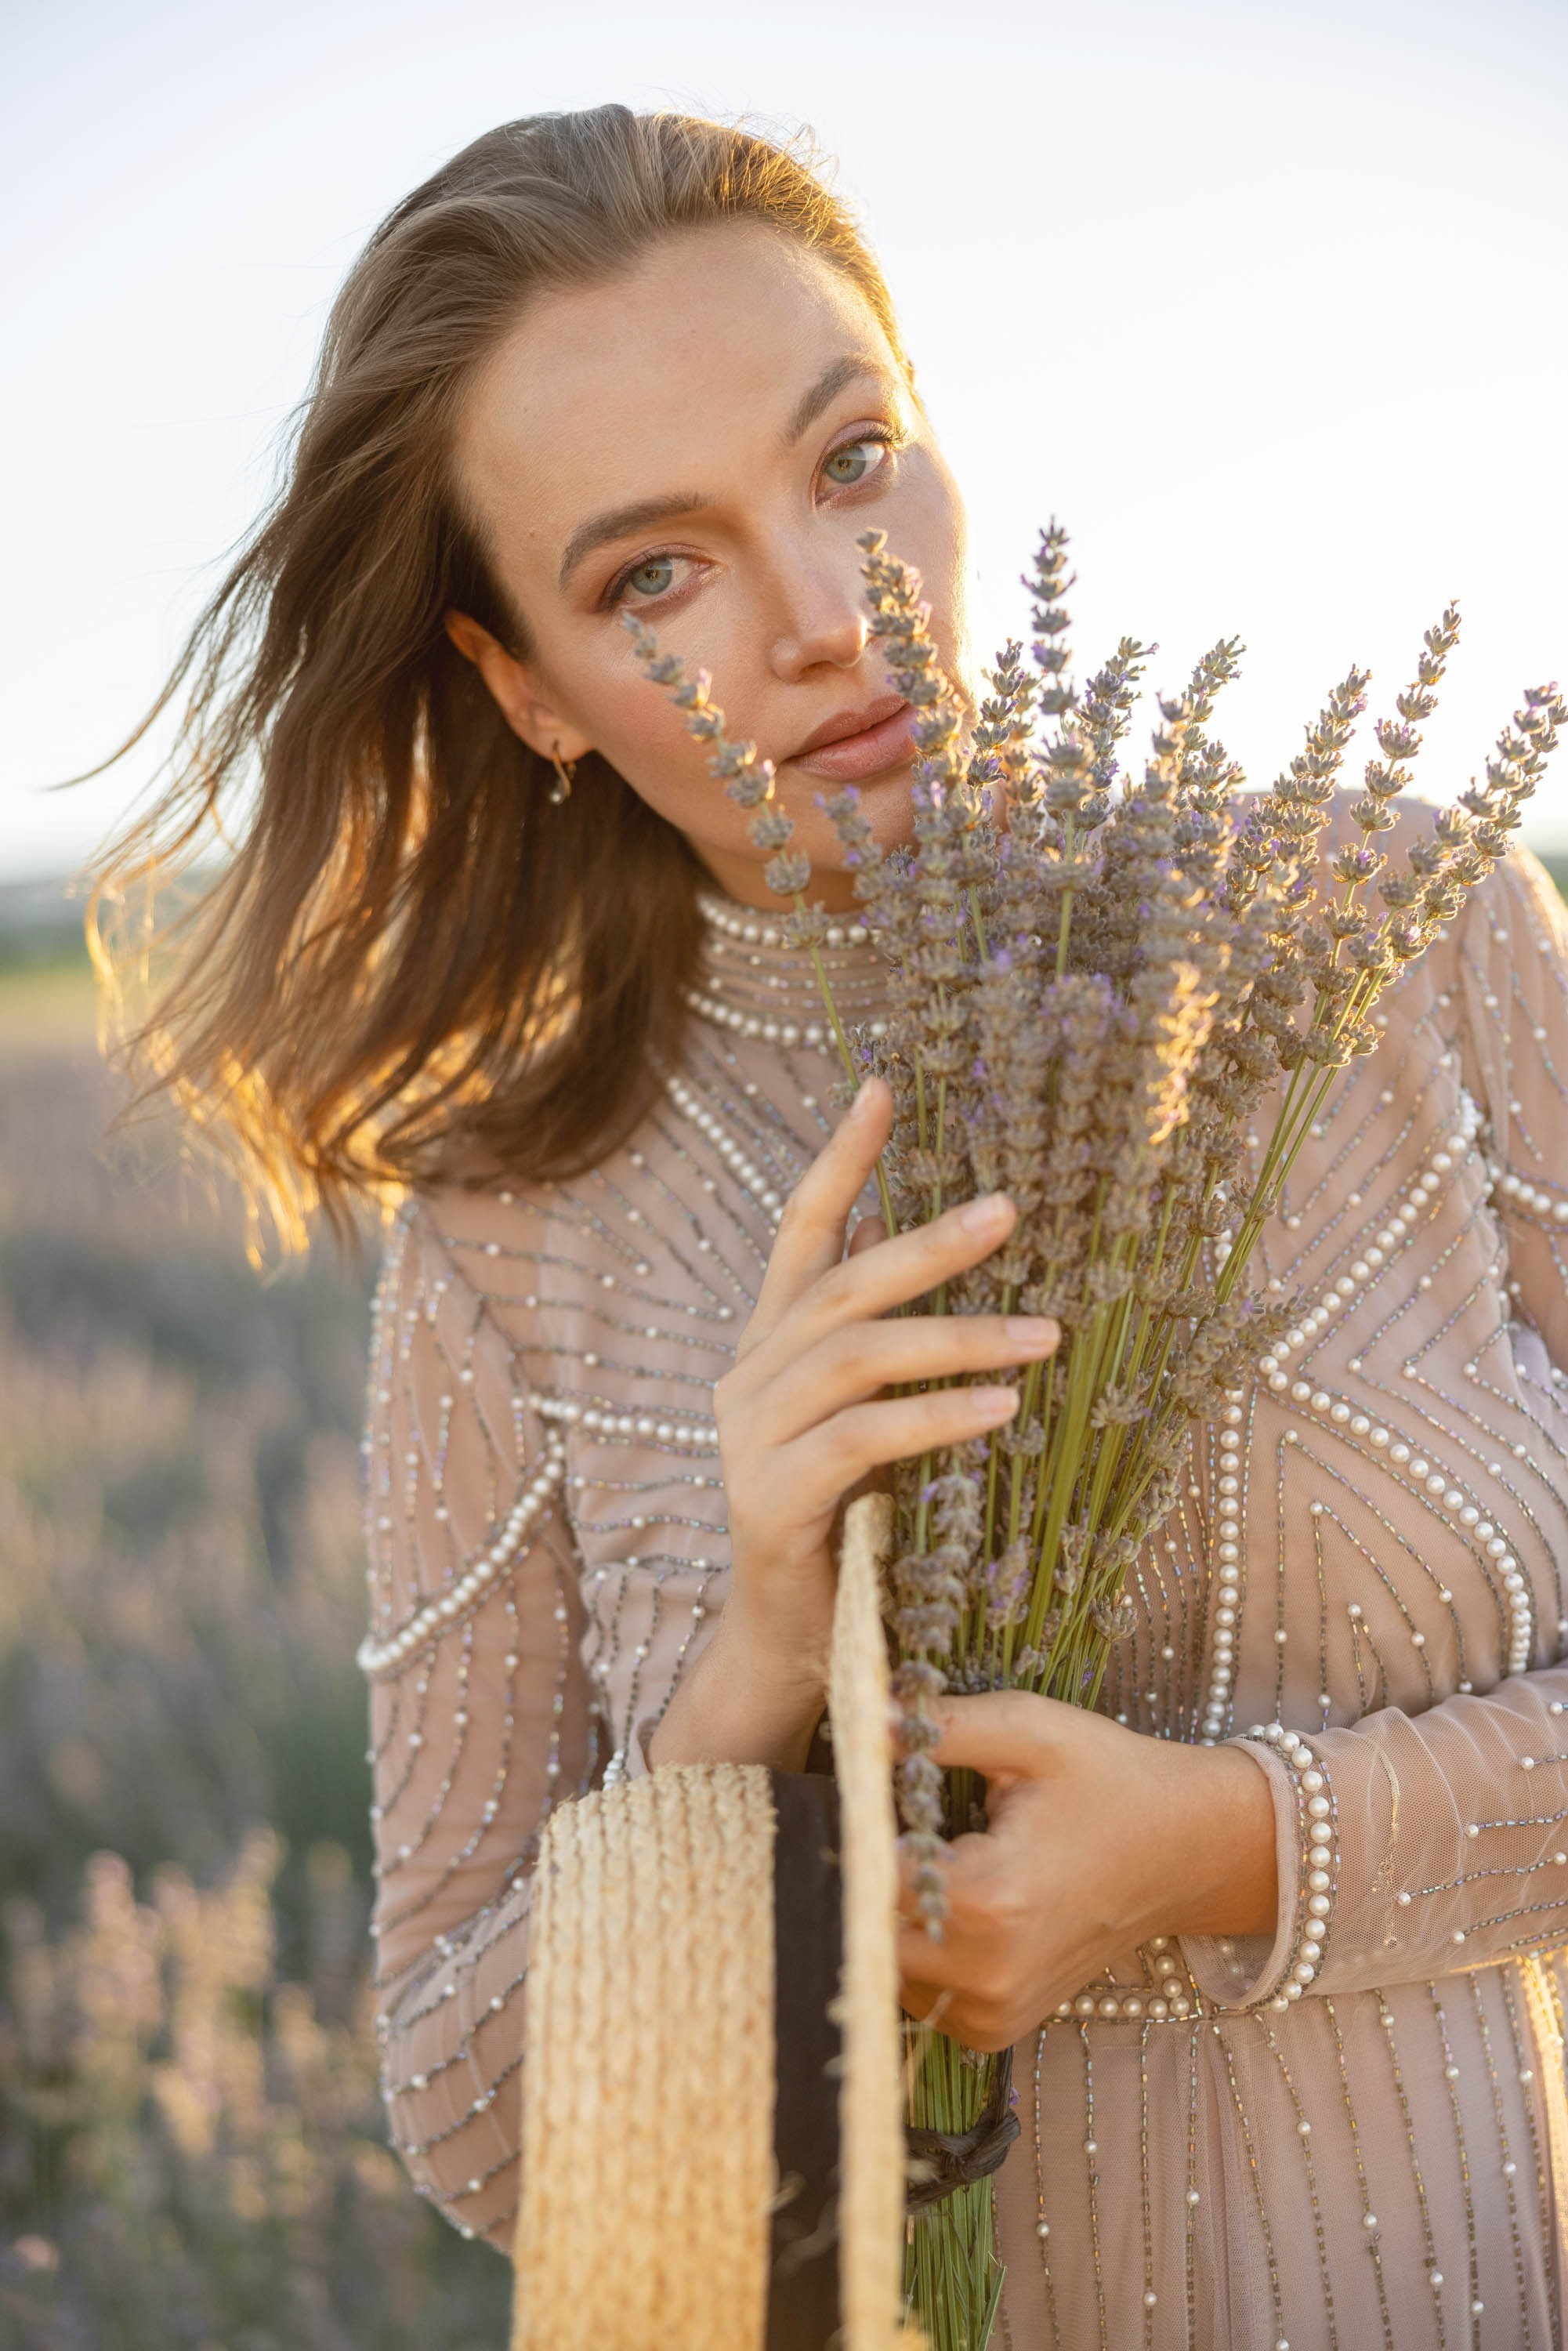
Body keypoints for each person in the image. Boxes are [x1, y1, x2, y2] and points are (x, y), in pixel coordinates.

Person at [87, 103, 1568, 2348]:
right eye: (649, 575)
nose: (820, 617)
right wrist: (757, 1662)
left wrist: (1228, 1850)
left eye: (850, 459)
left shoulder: (1386, 931)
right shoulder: (510, 1238)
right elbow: (479, 2121)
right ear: (524, 691)